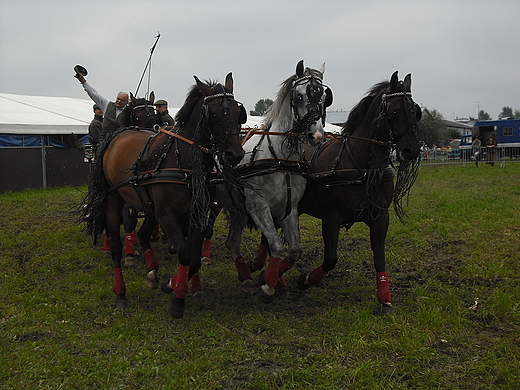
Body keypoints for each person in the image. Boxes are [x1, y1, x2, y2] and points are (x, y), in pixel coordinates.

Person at [74, 71, 129, 137]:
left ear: (127, 102)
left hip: (122, 138)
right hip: (106, 138)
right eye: (118, 99)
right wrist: (83, 81)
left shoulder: (129, 111)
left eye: (122, 100)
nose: (119, 101)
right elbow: (94, 94)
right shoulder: (107, 105)